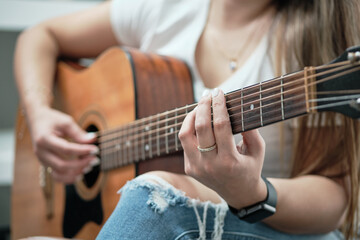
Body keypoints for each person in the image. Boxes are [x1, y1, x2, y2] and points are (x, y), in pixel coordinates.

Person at [14, 0, 360, 239]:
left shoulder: (316, 31)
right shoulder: (166, 8)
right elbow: (39, 37)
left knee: (155, 196)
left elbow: (335, 200)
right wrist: (39, 112)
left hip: (281, 228)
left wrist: (251, 192)